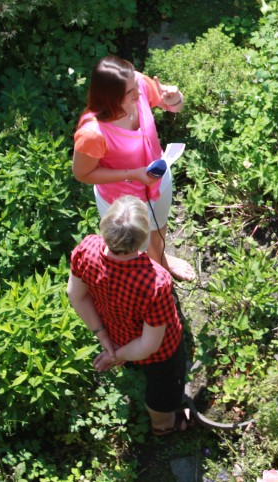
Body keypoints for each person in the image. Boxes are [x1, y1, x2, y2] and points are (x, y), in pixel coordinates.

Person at [67, 195, 191, 435]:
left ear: (105, 228)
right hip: (157, 353)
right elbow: (149, 345)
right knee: (162, 389)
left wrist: (106, 342)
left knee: (136, 365)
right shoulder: (155, 281)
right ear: (143, 238)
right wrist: (116, 356)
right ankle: (163, 425)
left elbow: (75, 294)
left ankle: (131, 369)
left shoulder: (87, 249)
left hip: (115, 335)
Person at [73, 55, 195, 281]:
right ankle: (145, 279)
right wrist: (133, 175)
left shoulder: (136, 82)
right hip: (123, 201)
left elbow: (174, 106)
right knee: (134, 247)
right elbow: (82, 174)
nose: (140, 93)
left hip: (158, 178)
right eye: (131, 92)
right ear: (110, 97)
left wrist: (175, 98)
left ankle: (161, 262)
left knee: (159, 224)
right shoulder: (93, 132)